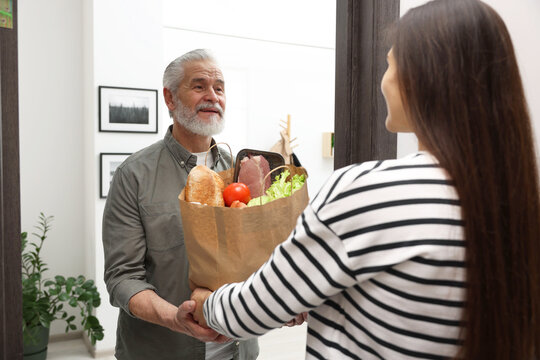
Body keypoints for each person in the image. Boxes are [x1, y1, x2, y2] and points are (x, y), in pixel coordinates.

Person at [190, 1, 540, 359]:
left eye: (390, 64)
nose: (384, 79)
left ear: (420, 78)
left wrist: (204, 304)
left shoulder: (367, 191)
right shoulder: (518, 201)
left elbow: (252, 308)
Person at [102, 49, 259, 360]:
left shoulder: (241, 171)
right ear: (170, 99)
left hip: (238, 351)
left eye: (219, 88)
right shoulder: (133, 175)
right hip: (161, 350)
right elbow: (122, 277)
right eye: (199, 86)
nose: (213, 96)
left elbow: (255, 257)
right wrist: (173, 318)